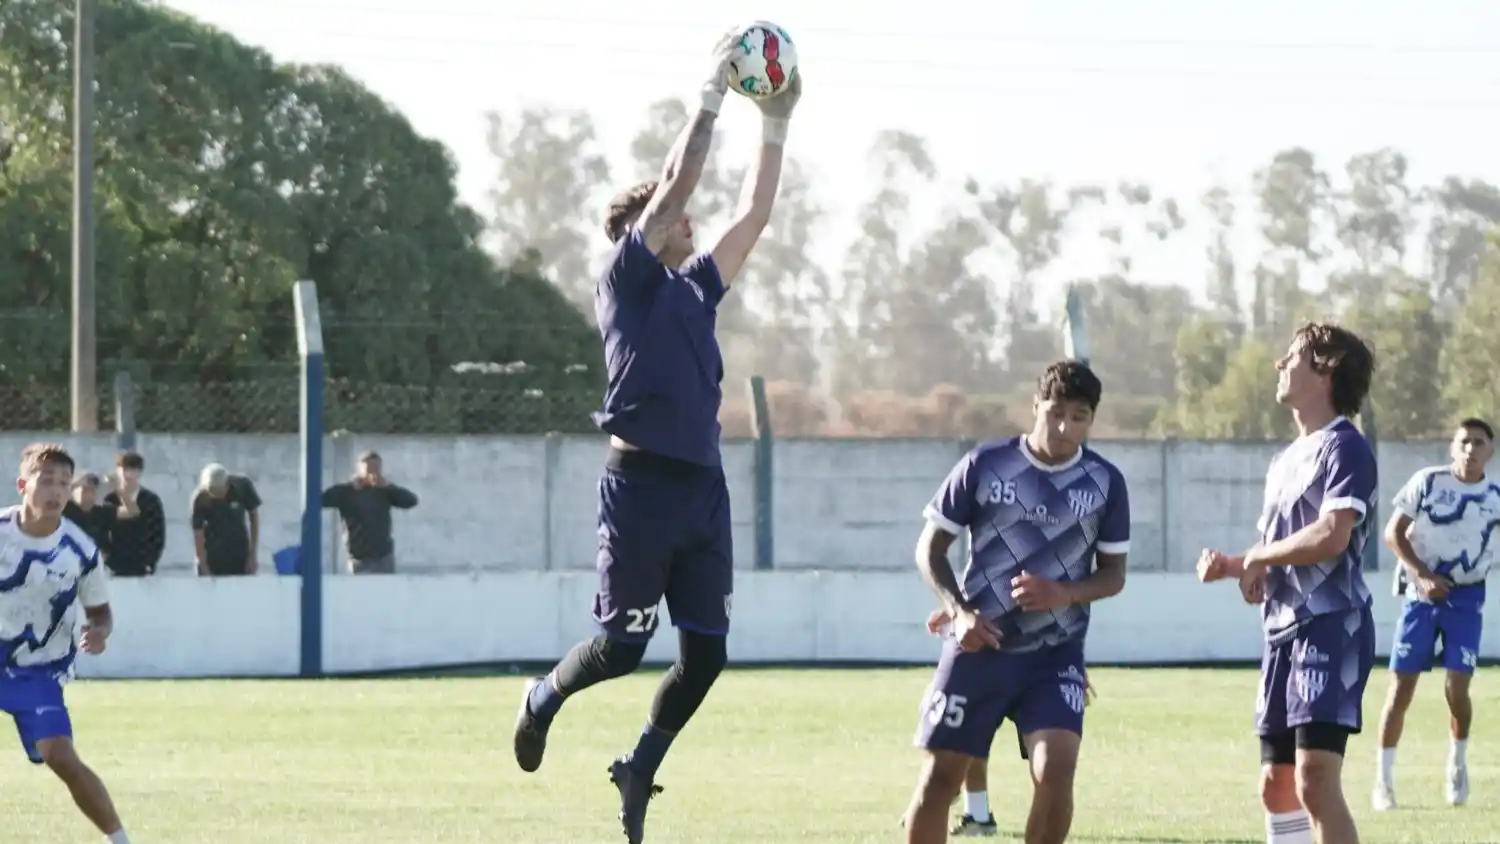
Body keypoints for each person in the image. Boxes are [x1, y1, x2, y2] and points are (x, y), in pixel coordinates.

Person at [509, 31, 803, 844]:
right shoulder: (626, 281)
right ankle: (541, 698)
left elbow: (755, 214)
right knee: (620, 648)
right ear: (643, 229)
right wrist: (710, 93)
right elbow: (679, 184)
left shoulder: (696, 287)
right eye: (671, 218)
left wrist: (777, 119)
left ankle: (640, 764)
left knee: (706, 656)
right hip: (638, 489)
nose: (688, 221)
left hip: (702, 490)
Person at [901, 360, 1131, 844]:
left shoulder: (1105, 482)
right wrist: (960, 612)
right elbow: (929, 550)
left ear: (1092, 419)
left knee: (1056, 772)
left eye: (1079, 417)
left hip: (1054, 656)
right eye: (1055, 413)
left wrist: (1064, 593)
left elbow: (1113, 576)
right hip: (979, 647)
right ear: (1035, 406)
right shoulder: (985, 465)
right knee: (940, 780)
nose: (1065, 428)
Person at [1197, 322, 1377, 844]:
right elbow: (1277, 549)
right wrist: (1238, 567)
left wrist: (1256, 556)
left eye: (1291, 356)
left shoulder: (1346, 446)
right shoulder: (1283, 460)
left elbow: (1332, 534)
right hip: (1281, 632)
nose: (1280, 364)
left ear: (1326, 370)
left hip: (1331, 625)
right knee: (1276, 786)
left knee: (1314, 779)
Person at [0, 443, 133, 844]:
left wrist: (100, 632)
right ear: (23, 485)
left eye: (63, 483)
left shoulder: (80, 550)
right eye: (46, 481)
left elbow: (100, 612)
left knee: (59, 755)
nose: (56, 491)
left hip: (39, 668)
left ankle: (120, 840)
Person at [1372, 417, 1500, 810]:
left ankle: (1457, 764)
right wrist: (1424, 575)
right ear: (1452, 447)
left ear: (1490, 450)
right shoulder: (1428, 482)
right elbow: (1393, 533)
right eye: (1464, 441)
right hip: (1421, 596)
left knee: (1458, 687)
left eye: (1479, 442)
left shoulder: (1495, 496)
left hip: (1467, 599)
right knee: (1401, 689)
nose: (1470, 449)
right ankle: (1383, 781)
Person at [916, 607, 1098, 838]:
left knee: (1054, 770)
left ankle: (977, 812)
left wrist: (1074, 657)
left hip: (1047, 658)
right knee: (948, 765)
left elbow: (1074, 592)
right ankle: (976, 811)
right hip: (981, 646)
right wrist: (957, 608)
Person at [322, 450, 419, 574]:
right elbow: (322, 500)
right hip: (358, 556)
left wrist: (389, 487)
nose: (373, 473)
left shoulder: (384, 491)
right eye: (369, 468)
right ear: (359, 469)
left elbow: (411, 501)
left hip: (383, 555)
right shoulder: (346, 492)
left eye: (376, 468)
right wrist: (350, 486)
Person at [190, 463, 262, 577]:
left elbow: (254, 517)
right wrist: (202, 563)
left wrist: (252, 555)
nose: (218, 495)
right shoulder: (199, 499)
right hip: (213, 553)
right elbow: (198, 533)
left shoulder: (242, 487)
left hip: (239, 551)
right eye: (213, 491)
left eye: (220, 491)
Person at [101, 451, 165, 578]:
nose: (128, 474)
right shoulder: (110, 499)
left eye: (133, 470)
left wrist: (150, 563)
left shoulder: (151, 500)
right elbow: (102, 530)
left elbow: (158, 534)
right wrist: (107, 560)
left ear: (140, 472)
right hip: (114, 567)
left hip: (142, 567)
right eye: (124, 469)